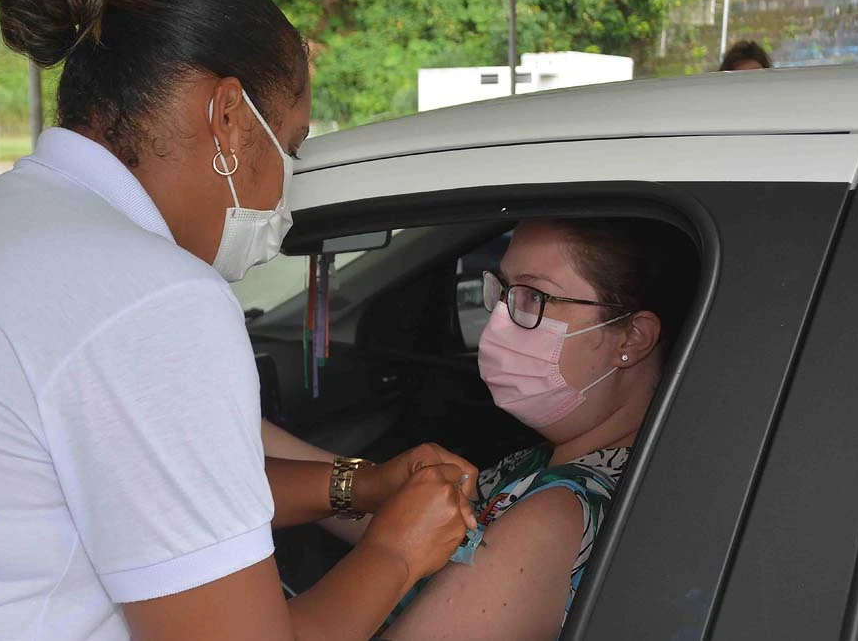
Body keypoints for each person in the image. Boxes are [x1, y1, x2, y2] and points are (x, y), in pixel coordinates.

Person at [0, 0, 477, 639]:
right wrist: (395, 551)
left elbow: (143, 487)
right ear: (227, 118)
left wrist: (357, 486)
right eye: (289, 145)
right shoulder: (153, 298)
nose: (286, 189)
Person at [265, 219, 697, 641]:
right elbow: (424, 532)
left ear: (632, 339)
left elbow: (409, 542)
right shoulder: (555, 462)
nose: (497, 322)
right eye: (504, 291)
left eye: (534, 297)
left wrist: (387, 553)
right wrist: (250, 432)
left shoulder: (555, 518)